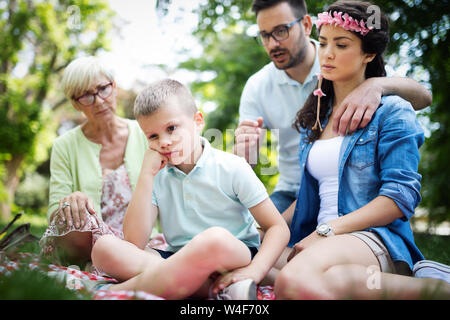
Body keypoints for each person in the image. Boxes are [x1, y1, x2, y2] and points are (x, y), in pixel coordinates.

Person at [271, 0, 450, 299]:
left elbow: (399, 198)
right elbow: (308, 195)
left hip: (371, 239)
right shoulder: (315, 117)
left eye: (341, 45)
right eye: (324, 42)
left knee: (292, 282)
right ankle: (429, 288)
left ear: (369, 53)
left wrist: (326, 231)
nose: (327, 53)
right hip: (319, 241)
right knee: (242, 257)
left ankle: (427, 285)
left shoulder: (392, 111)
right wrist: (266, 225)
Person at [90, 79, 290, 300]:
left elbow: (277, 228)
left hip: (232, 252)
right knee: (104, 248)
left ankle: (112, 293)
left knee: (213, 239)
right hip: (177, 256)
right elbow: (135, 242)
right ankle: (209, 286)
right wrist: (146, 176)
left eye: (171, 128)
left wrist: (257, 269)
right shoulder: (156, 176)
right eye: (153, 136)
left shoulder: (231, 166)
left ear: (198, 121)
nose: (164, 142)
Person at [235, 0, 432, 214]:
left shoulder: (340, 62)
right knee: (252, 240)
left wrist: (376, 84)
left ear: (307, 25)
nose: (273, 44)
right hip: (293, 192)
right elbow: (244, 165)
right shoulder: (257, 86)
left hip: (351, 188)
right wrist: (244, 155)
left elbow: (423, 97)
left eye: (281, 31)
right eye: (264, 35)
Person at [39, 56, 156, 269]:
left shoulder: (145, 133)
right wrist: (70, 202)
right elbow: (54, 213)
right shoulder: (64, 145)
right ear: (75, 103)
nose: (99, 101)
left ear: (115, 87)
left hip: (143, 240)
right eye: (86, 95)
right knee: (71, 218)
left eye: (103, 89)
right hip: (90, 246)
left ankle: (136, 265)